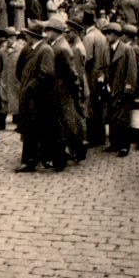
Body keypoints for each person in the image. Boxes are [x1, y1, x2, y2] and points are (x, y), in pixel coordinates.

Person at [44, 17, 85, 168]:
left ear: (56, 32)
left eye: (49, 30)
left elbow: (71, 72)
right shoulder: (55, 45)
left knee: (66, 123)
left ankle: (77, 149)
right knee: (63, 123)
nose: (47, 33)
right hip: (57, 89)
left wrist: (74, 89)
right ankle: (73, 150)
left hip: (62, 90)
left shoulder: (62, 48)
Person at [15, 22, 55, 172]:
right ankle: (32, 159)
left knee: (36, 128)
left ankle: (32, 160)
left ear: (33, 36)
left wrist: (31, 86)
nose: (26, 37)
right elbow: (19, 71)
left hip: (38, 97)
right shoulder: (29, 49)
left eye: (28, 35)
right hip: (28, 95)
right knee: (29, 128)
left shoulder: (45, 50)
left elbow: (47, 73)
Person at [102, 22, 137, 156]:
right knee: (112, 117)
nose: (107, 36)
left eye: (109, 33)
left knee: (122, 119)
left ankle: (124, 146)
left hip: (122, 89)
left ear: (116, 35)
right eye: (107, 33)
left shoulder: (127, 50)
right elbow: (105, 68)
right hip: (111, 88)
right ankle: (114, 143)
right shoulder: (107, 49)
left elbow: (131, 71)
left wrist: (128, 89)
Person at [82, 8, 110, 147]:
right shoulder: (101, 36)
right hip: (101, 73)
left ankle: (93, 137)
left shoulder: (89, 37)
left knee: (91, 106)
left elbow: (87, 59)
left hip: (91, 74)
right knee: (100, 106)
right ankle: (101, 136)